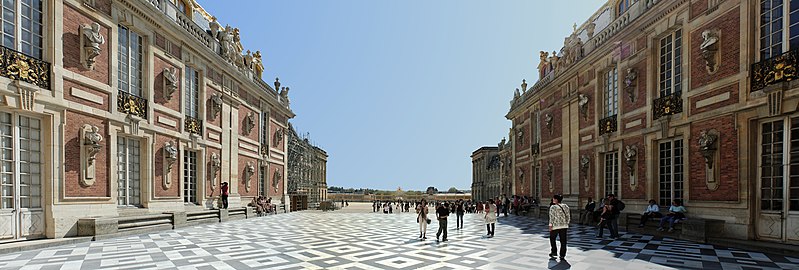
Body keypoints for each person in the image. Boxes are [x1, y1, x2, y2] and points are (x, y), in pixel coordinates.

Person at [548, 194, 571, 260]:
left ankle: (554, 251)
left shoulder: (553, 207)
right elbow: (568, 216)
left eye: (553, 198)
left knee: (552, 238)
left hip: (555, 226)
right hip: (564, 226)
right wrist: (566, 223)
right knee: (563, 241)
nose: (553, 199)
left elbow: (551, 217)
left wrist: (550, 225)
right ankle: (562, 255)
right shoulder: (566, 206)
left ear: (556, 199)